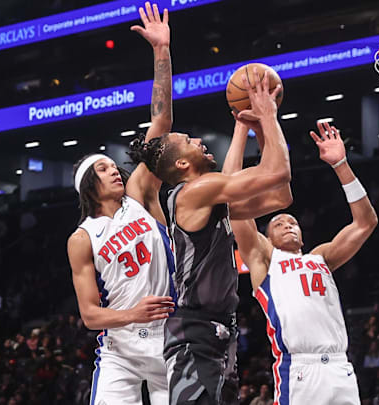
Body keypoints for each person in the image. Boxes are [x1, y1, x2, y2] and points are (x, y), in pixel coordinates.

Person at [128, 68, 290, 404]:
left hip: (217, 332)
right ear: (184, 165)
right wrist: (268, 116)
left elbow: (280, 196)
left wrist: (254, 129)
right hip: (196, 332)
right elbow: (278, 171)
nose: (200, 141)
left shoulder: (208, 200)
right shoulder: (192, 192)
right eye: (190, 141)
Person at [66, 3, 175, 404]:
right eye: (106, 169)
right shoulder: (82, 238)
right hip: (120, 349)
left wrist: (161, 53)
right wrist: (132, 314)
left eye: (116, 166)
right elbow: (91, 316)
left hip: (170, 336)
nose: (117, 171)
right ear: (89, 186)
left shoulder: (140, 194)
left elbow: (160, 126)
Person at [225, 121, 378, 404]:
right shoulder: (265, 258)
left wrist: (341, 165)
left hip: (340, 368)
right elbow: (229, 201)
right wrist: (242, 130)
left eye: (293, 222)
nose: (288, 224)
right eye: (279, 222)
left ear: (303, 235)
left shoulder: (321, 257)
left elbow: (366, 222)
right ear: (266, 237)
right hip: (299, 369)